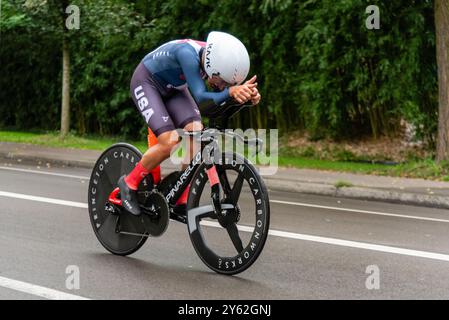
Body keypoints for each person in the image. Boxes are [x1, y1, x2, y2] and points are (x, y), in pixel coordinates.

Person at [118, 31, 261, 215]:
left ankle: (181, 199)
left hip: (174, 88)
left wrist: (245, 97)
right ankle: (129, 183)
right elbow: (202, 98)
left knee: (196, 134)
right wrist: (231, 92)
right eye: (223, 82)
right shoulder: (187, 54)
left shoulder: (215, 58)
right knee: (169, 142)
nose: (222, 87)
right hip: (147, 82)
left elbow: (216, 104)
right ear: (213, 67)